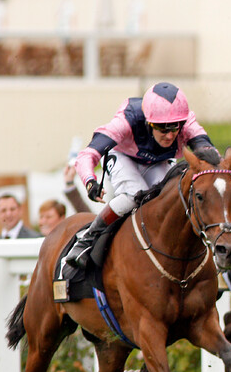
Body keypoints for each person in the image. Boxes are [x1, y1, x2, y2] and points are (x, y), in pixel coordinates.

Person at [64, 82, 216, 269]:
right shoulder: (127, 120)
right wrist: (90, 181)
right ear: (148, 123)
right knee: (134, 195)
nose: (169, 136)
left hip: (157, 162)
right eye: (162, 128)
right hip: (122, 156)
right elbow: (87, 155)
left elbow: (210, 155)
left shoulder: (187, 122)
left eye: (174, 127)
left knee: (171, 196)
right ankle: (87, 240)